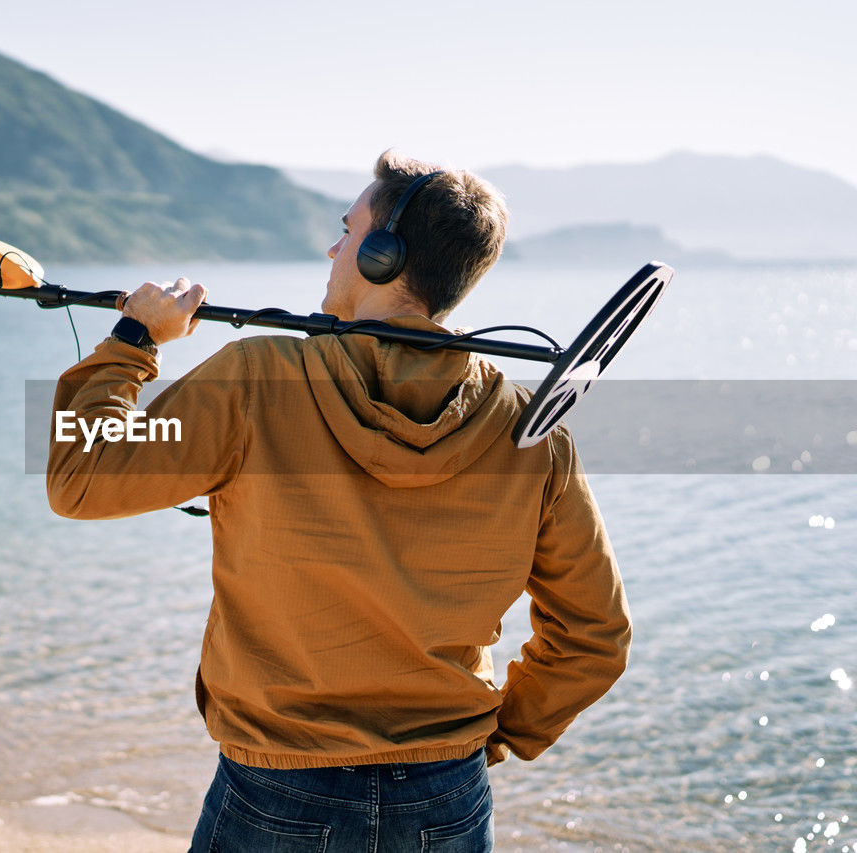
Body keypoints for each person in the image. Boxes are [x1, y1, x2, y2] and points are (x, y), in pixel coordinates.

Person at [46, 150, 630, 852]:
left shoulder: (257, 379)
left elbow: (81, 475)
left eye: (348, 230)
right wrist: (493, 737)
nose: (333, 246)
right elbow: (594, 637)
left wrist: (134, 339)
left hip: (278, 790)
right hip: (446, 794)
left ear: (383, 255)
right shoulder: (532, 431)